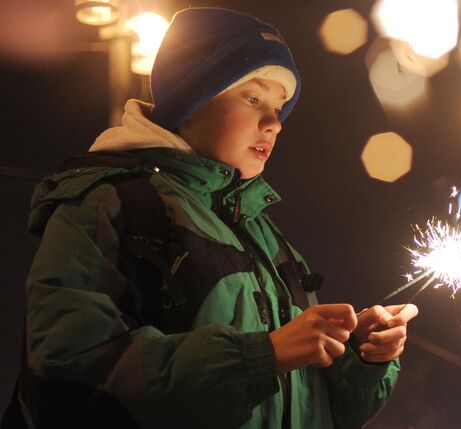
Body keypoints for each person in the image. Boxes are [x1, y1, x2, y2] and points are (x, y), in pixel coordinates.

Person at [2, 7, 418, 429]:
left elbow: (319, 411)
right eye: (254, 98)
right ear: (191, 98)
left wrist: (358, 356)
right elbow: (70, 375)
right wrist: (263, 355)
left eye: (279, 106)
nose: (274, 123)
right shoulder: (112, 204)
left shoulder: (263, 235)